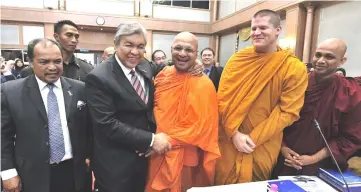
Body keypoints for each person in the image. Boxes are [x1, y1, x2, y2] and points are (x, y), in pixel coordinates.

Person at [85, 23, 203, 192]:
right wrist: (151, 140)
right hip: (115, 163)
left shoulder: (143, 65)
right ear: (116, 43)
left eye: (140, 46)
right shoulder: (99, 78)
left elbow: (166, 69)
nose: (135, 52)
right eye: (129, 45)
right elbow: (106, 124)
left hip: (145, 159)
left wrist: (193, 61)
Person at [215, 9, 308, 184]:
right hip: (228, 140)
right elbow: (222, 101)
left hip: (262, 144)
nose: (256, 33)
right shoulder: (237, 60)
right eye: (254, 28)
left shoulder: (293, 67)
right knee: (221, 183)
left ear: (278, 30)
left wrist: (252, 139)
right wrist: (234, 134)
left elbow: (288, 111)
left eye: (263, 28)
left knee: (255, 185)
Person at [1, 38, 90, 192]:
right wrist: (8, 172)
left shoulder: (79, 89)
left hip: (74, 173)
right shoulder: (10, 92)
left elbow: (89, 128)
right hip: (32, 174)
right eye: (44, 62)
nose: (52, 67)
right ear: (30, 61)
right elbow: (3, 136)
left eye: (57, 61)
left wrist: (89, 155)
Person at [272, 38, 361, 176]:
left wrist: (313, 159)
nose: (320, 60)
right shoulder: (295, 82)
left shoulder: (350, 92)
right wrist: (283, 147)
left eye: (329, 57)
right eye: (318, 55)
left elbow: (350, 137)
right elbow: (274, 117)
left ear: (342, 61)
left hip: (321, 166)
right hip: (282, 158)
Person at [145, 32, 221, 192]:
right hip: (155, 152)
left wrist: (166, 142)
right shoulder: (162, 76)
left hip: (185, 156)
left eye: (189, 50)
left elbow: (202, 128)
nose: (182, 54)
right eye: (178, 48)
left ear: (196, 53)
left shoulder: (205, 85)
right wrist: (154, 141)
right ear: (170, 50)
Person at [19, 20, 93, 81]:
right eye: (69, 35)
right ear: (56, 37)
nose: (74, 40)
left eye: (76, 36)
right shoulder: (32, 70)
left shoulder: (87, 69)